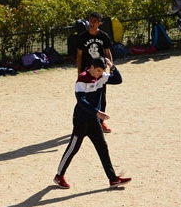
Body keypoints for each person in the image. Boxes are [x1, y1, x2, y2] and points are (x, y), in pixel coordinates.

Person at [54, 57, 131, 190]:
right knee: (73, 148)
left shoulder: (101, 76)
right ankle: (59, 176)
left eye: (102, 71)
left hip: (93, 120)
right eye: (98, 71)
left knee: (103, 148)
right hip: (81, 120)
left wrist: (111, 66)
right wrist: (97, 112)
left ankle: (112, 179)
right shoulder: (82, 79)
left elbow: (118, 80)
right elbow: (81, 101)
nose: (100, 74)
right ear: (92, 67)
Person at [75, 12, 114, 133]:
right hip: (87, 71)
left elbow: (107, 52)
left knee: (101, 97)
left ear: (99, 23)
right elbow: (79, 55)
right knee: (85, 97)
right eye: (90, 20)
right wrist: (79, 72)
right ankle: (82, 121)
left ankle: (101, 123)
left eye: (95, 21)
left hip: (100, 72)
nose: (92, 23)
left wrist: (111, 66)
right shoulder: (82, 37)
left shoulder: (104, 36)